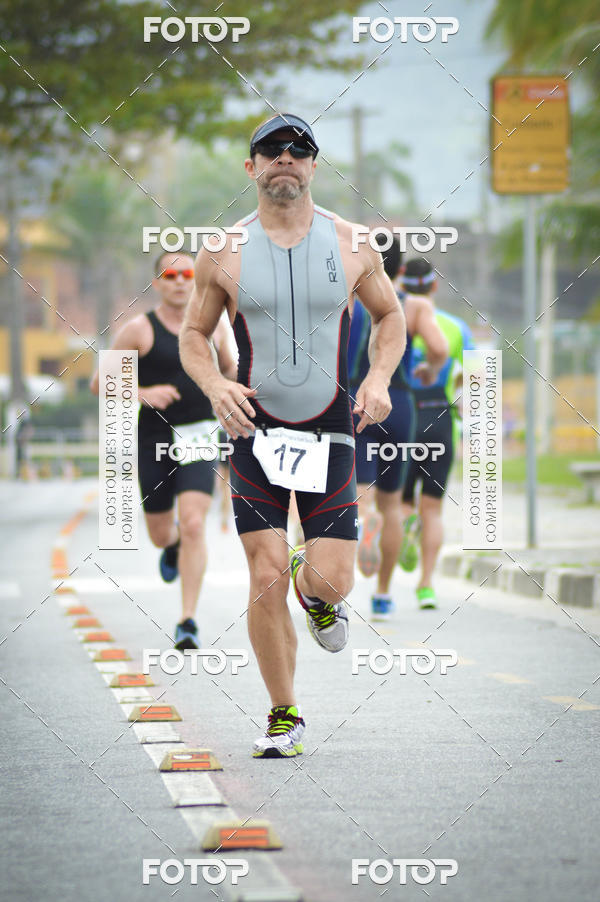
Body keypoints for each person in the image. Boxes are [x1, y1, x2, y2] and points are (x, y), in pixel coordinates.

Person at [179, 113, 405, 758]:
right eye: (271, 151)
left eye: (298, 150)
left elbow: (389, 318)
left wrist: (380, 376)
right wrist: (218, 386)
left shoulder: (353, 242)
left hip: (333, 425)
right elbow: (194, 336)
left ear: (313, 166)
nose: (286, 158)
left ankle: (321, 597)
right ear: (251, 167)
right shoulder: (222, 249)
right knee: (265, 570)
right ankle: (285, 714)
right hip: (254, 425)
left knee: (331, 581)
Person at [91, 251, 236, 649]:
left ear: (196, 279)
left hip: (199, 436)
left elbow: (231, 372)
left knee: (193, 523)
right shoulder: (139, 330)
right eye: (170, 275)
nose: (179, 280)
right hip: (153, 439)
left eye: (187, 273)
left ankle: (187, 620)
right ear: (157, 283)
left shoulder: (214, 327)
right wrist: (141, 392)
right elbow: (97, 383)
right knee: (160, 533)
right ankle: (170, 547)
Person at [349, 236, 448, 620]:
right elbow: (439, 349)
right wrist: (430, 370)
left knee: (360, 498)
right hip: (400, 404)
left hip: (355, 402)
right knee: (393, 505)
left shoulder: (350, 302)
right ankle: (384, 594)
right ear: (401, 269)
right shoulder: (415, 306)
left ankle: (363, 522)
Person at [399, 257, 474, 609]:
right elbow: (474, 378)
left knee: (397, 504)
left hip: (402, 419)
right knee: (433, 510)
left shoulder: (393, 318)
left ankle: (404, 529)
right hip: (440, 422)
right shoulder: (456, 327)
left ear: (401, 283)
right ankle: (426, 586)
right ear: (434, 286)